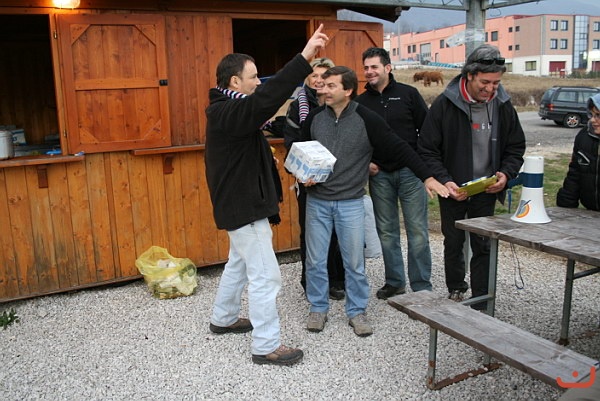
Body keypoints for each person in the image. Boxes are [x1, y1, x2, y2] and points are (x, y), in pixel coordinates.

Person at [204, 25, 328, 366]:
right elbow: (266, 100)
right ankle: (266, 345)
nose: (259, 82)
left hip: (240, 204)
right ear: (235, 82)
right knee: (265, 276)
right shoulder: (228, 111)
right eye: (254, 77)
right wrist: (304, 57)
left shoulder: (228, 111)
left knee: (239, 263)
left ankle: (224, 317)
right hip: (244, 207)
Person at [300, 66, 449, 337]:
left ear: (348, 90)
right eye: (322, 84)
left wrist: (427, 177)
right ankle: (318, 308)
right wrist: (301, 175)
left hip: (350, 203)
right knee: (315, 261)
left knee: (354, 263)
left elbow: (400, 147)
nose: (324, 89)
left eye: (331, 85)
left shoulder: (366, 119)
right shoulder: (314, 118)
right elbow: (300, 151)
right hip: (317, 202)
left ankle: (357, 311)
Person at [418, 44, 526, 309]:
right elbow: (428, 149)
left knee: (483, 244)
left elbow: (515, 147)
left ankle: (480, 298)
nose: (491, 89)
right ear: (469, 76)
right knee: (454, 242)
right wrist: (445, 180)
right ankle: (456, 287)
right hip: (453, 188)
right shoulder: (444, 104)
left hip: (486, 189)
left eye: (496, 83)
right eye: (485, 82)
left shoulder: (503, 105)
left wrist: (506, 174)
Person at [355, 47, 432, 299]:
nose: (369, 72)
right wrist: (367, 163)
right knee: (387, 232)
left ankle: (421, 286)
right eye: (366, 67)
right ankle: (395, 282)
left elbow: (427, 131)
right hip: (379, 175)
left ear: (387, 68)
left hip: (410, 172)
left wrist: (421, 163)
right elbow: (356, 141)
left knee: (417, 231)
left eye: (374, 67)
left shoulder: (409, 94)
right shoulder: (360, 103)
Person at [284, 57, 346, 300]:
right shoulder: (297, 107)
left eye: (324, 76)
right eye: (314, 75)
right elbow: (291, 145)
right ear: (308, 78)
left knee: (337, 232)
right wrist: (302, 173)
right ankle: (311, 282)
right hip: (308, 182)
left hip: (338, 180)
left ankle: (337, 279)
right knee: (310, 233)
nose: (319, 80)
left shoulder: (341, 105)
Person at [556, 93, 600, 211]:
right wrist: (565, 207)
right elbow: (575, 173)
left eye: (598, 115)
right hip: (590, 212)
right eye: (592, 115)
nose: (593, 120)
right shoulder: (584, 136)